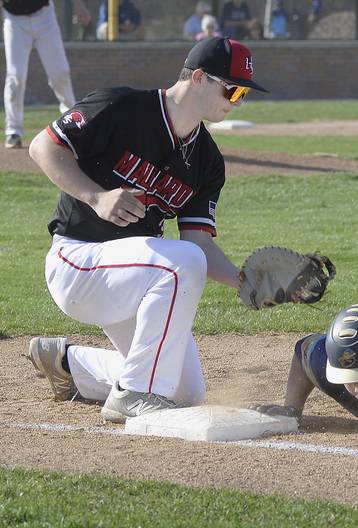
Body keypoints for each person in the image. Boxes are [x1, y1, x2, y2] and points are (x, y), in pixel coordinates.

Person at [24, 37, 269, 424]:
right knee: (180, 264)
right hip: (78, 260)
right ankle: (135, 393)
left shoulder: (207, 161)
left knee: (185, 392)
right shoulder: (121, 106)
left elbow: (199, 243)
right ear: (200, 78)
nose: (238, 101)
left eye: (245, 94)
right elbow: (43, 146)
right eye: (233, 88)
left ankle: (68, 362)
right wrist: (96, 196)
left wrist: (246, 282)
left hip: (132, 279)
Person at [2, 0, 90, 149]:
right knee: (15, 76)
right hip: (14, 19)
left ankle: (74, 121)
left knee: (60, 72)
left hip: (44, 16)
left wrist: (79, 6)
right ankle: (13, 130)